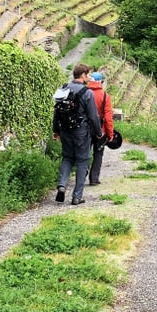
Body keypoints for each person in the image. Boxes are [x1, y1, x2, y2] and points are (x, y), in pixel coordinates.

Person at [52, 63, 102, 205]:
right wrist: (98, 133)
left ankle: (62, 185)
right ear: (83, 75)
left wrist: (56, 130)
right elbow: (93, 116)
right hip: (81, 131)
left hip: (65, 130)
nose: (90, 77)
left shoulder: (63, 89)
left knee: (67, 158)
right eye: (89, 74)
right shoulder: (87, 92)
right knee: (82, 160)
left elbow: (57, 112)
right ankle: (77, 196)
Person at [87, 71, 114, 185]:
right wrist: (110, 133)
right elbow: (108, 117)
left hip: (84, 128)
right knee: (98, 153)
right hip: (100, 129)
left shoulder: (84, 93)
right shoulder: (105, 96)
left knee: (84, 153)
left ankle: (82, 174)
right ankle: (94, 179)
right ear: (100, 82)